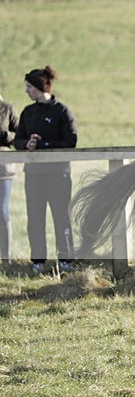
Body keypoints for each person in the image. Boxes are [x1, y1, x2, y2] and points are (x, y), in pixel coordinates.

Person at [13, 66, 78, 273]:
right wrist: (26, 144)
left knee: (61, 217)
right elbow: (18, 139)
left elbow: (71, 141)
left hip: (58, 174)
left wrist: (44, 144)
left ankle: (66, 260)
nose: (27, 91)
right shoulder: (28, 112)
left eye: (29, 87)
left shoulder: (61, 110)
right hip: (33, 175)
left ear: (41, 87)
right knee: (35, 218)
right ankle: (38, 261)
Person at [0, 93, 19, 262]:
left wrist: (5, 136)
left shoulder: (7, 109)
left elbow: (20, 135)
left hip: (3, 169)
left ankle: (7, 257)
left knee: (2, 211)